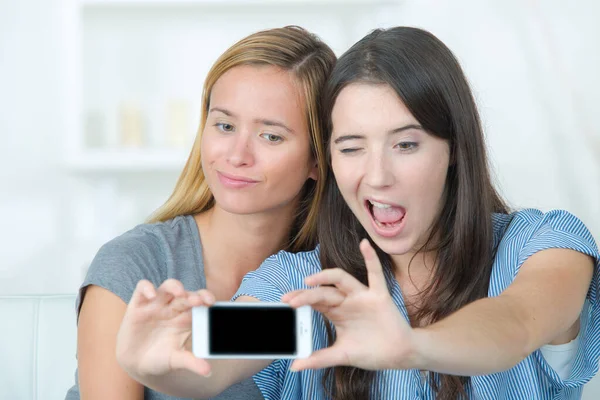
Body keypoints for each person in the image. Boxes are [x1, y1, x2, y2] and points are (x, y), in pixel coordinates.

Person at [116, 27, 600, 400]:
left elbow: (515, 323)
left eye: (406, 144)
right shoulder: (305, 285)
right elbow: (214, 361)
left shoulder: (542, 245)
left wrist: (413, 346)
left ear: (455, 148)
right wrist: (158, 361)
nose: (377, 176)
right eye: (351, 148)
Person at [64, 25, 336, 400]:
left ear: (319, 159)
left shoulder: (319, 277)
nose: (237, 155)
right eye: (224, 125)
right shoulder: (132, 267)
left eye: (270, 136)